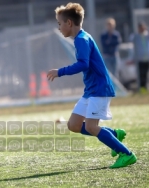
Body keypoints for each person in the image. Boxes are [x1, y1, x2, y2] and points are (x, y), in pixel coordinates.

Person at [47, 3, 137, 168]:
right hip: (91, 90)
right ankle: (114, 134)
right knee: (73, 125)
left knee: (91, 126)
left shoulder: (81, 39)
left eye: (59, 24)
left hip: (99, 88)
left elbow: (83, 64)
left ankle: (127, 154)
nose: (59, 28)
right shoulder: (81, 38)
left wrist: (60, 71)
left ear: (69, 23)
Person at [130, 22, 149, 94]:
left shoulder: (147, 35)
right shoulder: (136, 36)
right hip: (140, 59)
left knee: (146, 74)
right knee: (141, 74)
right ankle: (142, 88)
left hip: (147, 58)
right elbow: (131, 39)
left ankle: (145, 88)